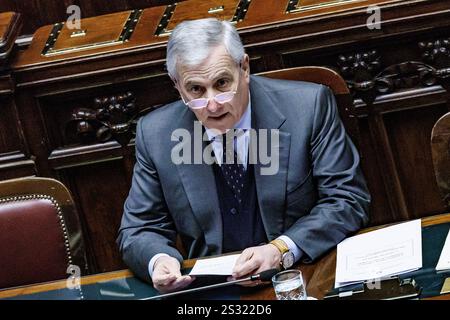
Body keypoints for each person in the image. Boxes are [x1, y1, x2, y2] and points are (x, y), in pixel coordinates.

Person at [117, 18, 370, 294]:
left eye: (222, 83)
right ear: (177, 86)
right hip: (212, 294)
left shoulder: (308, 107)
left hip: (302, 278)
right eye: (196, 90)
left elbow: (347, 199)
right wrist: (159, 260)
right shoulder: (156, 134)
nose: (212, 105)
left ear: (244, 68)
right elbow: (138, 230)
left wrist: (281, 249)